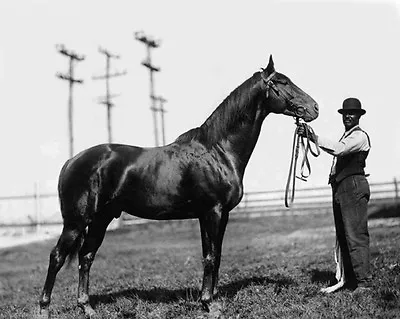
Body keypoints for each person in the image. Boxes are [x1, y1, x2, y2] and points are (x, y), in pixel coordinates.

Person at [298, 97, 371, 293]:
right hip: (342, 188)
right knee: (344, 235)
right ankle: (350, 280)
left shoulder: (359, 136)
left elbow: (338, 150)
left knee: (355, 235)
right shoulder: (347, 136)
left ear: (359, 116)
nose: (348, 116)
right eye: (345, 113)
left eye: (352, 113)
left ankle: (364, 283)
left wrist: (312, 136)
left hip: (353, 186)